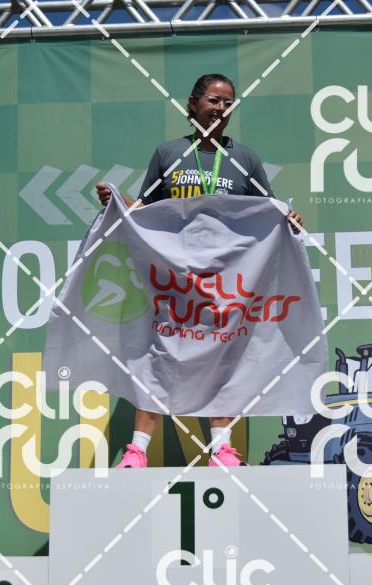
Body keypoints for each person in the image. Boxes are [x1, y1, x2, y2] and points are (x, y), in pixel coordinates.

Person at [95, 73, 303, 469]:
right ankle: (137, 450)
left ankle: (221, 449)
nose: (221, 108)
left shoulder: (244, 159)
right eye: (213, 100)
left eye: (228, 102)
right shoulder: (168, 153)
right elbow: (146, 210)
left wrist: (289, 218)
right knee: (160, 355)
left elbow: (270, 211)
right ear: (192, 104)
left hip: (225, 279)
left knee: (220, 355)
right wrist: (117, 201)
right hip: (173, 276)